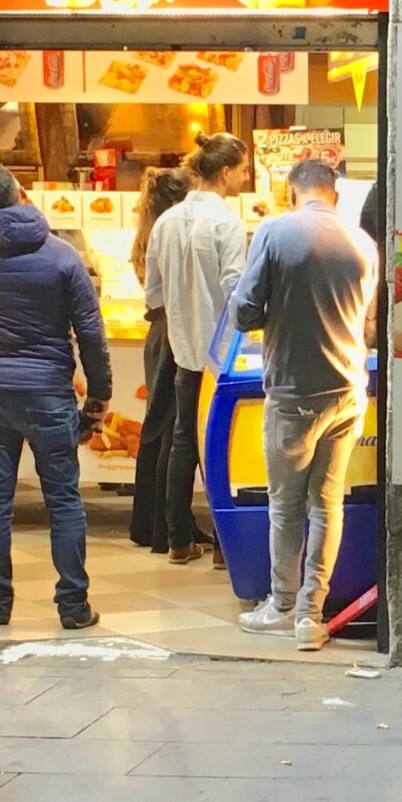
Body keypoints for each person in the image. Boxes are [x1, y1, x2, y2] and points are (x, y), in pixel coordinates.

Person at [228, 156, 377, 650]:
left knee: (285, 507)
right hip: (349, 391)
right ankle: (311, 618)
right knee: (327, 504)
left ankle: (282, 605)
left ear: (294, 191)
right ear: (333, 192)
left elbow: (245, 311)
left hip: (293, 392)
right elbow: (370, 324)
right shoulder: (363, 243)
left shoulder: (276, 232)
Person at [0, 163, 111, 630]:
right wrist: (98, 398)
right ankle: (72, 606)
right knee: (64, 500)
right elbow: (90, 332)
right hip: (49, 393)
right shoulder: (62, 256)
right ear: (22, 192)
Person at [150, 132, 249, 564]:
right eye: (244, 170)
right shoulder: (227, 223)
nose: (246, 178)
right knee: (223, 445)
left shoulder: (165, 222)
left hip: (183, 347)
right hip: (223, 353)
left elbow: (153, 293)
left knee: (182, 441)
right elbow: (236, 289)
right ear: (225, 172)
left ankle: (178, 540)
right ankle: (226, 547)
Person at [126, 164, 190, 552]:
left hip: (158, 332)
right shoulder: (170, 233)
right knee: (171, 428)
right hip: (172, 332)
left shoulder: (147, 233)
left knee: (156, 428)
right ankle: (164, 528)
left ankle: (148, 523)